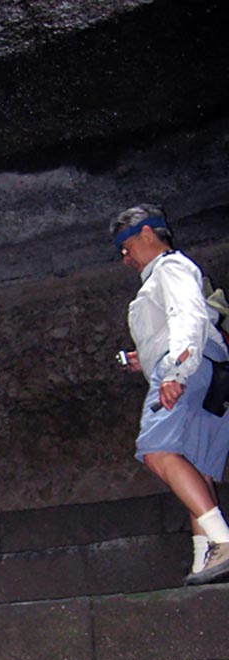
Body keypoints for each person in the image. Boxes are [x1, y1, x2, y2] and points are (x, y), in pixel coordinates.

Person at [111, 203, 229, 584]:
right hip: (211, 373)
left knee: (158, 452)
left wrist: (173, 371)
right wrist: (144, 360)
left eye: (126, 247)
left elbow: (187, 317)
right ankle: (205, 560)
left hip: (187, 367)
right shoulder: (167, 275)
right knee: (197, 470)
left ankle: (223, 540)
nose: (125, 258)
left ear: (148, 234)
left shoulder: (170, 267)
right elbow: (183, 325)